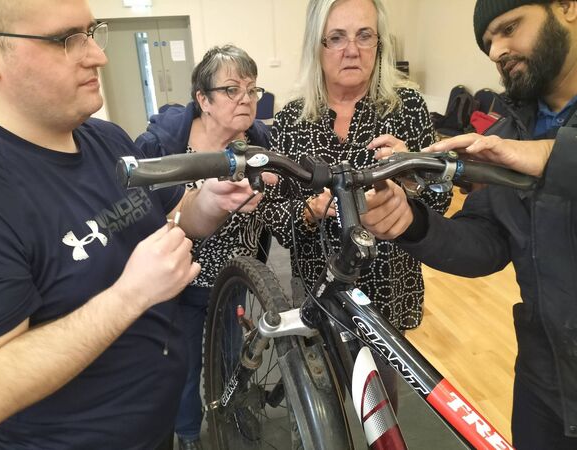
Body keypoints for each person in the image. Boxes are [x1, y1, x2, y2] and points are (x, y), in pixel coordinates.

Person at [0, 1, 262, 449]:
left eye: (92, 32)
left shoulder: (106, 139)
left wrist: (207, 203)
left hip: (153, 427)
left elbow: (170, 220)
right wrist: (129, 296)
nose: (97, 55)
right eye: (66, 39)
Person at [360, 1, 577, 448]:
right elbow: (487, 243)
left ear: (566, 7)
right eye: (487, 43)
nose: (497, 50)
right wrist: (411, 224)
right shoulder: (510, 132)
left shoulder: (525, 146)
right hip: (543, 379)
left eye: (509, 28)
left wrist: (553, 156)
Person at [261, 0, 450, 410]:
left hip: (386, 287)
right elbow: (275, 218)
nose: (352, 49)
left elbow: (443, 198)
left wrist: (413, 174)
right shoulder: (293, 119)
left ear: (379, 44)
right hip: (317, 289)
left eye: (364, 35)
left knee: (379, 404)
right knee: (317, 401)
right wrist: (314, 209)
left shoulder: (407, 109)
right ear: (317, 46)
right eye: (337, 38)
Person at [135, 44, 271, 450]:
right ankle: (190, 435)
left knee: (232, 356)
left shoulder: (261, 141)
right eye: (232, 90)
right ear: (203, 99)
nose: (245, 99)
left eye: (252, 90)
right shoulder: (163, 146)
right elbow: (143, 216)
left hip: (235, 278)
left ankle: (231, 416)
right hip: (182, 280)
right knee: (183, 365)